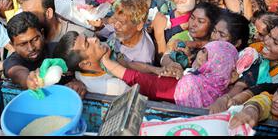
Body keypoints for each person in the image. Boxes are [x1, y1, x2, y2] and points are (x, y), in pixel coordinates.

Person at [101, 40, 239, 108]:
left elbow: (145, 83)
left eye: (210, 58)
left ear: (221, 67)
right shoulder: (224, 88)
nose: (202, 57)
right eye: (203, 51)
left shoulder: (191, 83)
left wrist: (106, 61)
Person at [3, 11, 86, 97]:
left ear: (42, 34)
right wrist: (28, 79)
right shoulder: (12, 62)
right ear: (12, 45)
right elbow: (16, 72)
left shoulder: (58, 49)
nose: (31, 48)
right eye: (23, 44)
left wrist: (77, 82)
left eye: (35, 39)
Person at [56, 31, 130, 96]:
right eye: (87, 44)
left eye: (87, 37)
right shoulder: (114, 87)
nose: (95, 39)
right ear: (85, 64)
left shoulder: (99, 54)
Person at [20, 0, 92, 45]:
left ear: (48, 13)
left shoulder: (81, 36)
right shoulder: (25, 40)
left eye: (31, 15)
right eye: (24, 14)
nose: (26, 20)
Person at [106, 0, 155, 64]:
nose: (116, 26)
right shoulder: (125, 32)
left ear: (139, 26)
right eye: (115, 19)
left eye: (122, 22)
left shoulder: (143, 59)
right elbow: (105, 31)